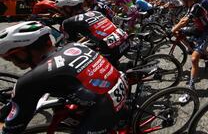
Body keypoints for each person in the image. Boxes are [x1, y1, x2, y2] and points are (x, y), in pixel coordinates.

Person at [0, 21, 128, 133]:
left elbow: (13, 128)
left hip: (104, 106)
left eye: (11, 57)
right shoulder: (72, 45)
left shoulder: (31, 79)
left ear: (22, 53)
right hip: (118, 84)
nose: (13, 62)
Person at [56, 0, 129, 66]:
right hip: (125, 43)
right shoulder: (95, 12)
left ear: (68, 8)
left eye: (61, 9)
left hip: (110, 53)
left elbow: (70, 45)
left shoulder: (67, 22)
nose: (60, 12)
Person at [172, 0, 208, 103]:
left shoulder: (196, 6)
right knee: (177, 33)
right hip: (197, 29)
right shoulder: (190, 6)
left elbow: (184, 22)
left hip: (204, 32)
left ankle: (191, 88)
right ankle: (190, 48)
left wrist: (175, 27)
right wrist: (175, 27)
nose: (182, 1)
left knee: (194, 59)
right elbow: (183, 19)